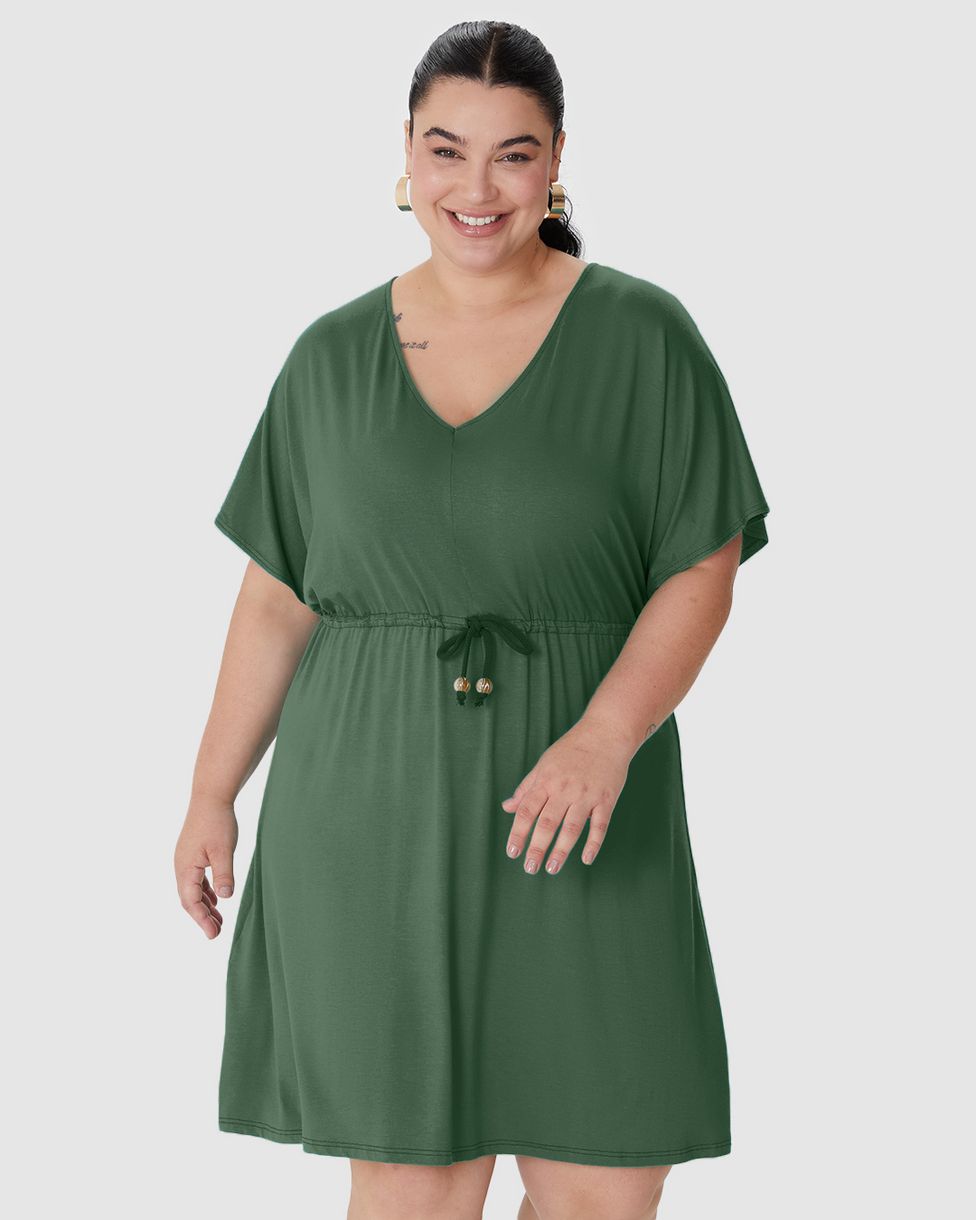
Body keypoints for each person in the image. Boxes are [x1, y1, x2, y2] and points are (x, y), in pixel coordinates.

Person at [174, 19, 770, 1220]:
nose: (477, 188)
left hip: (584, 810)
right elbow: (277, 596)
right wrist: (209, 790)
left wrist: (606, 735)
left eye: (513, 153)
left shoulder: (644, 336)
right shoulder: (329, 356)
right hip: (369, 806)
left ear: (557, 161)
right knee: (412, 1188)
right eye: (447, 150)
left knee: (601, 1183)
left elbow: (700, 568)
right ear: (406, 154)